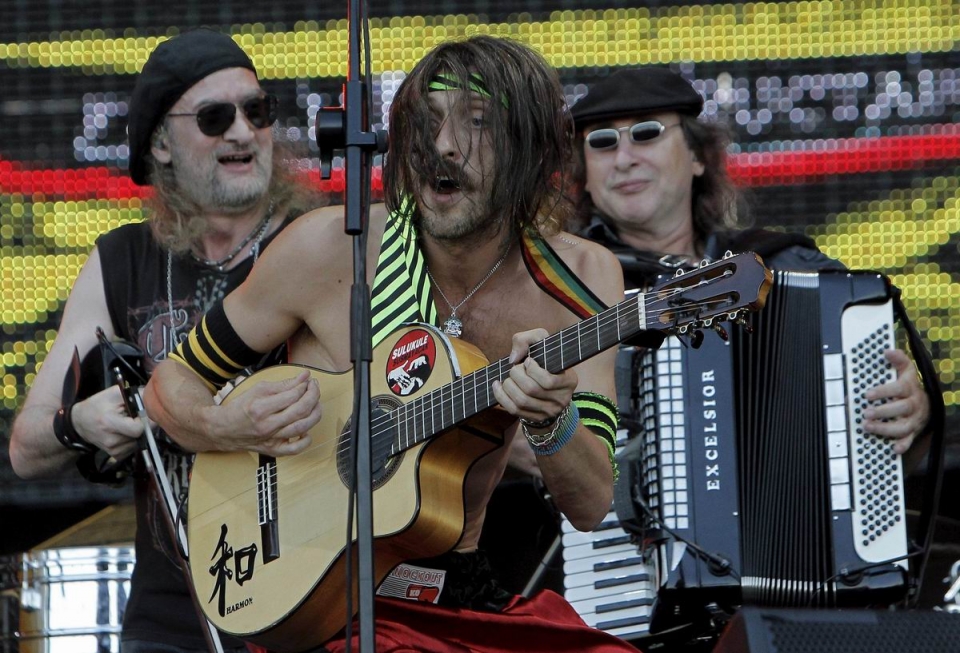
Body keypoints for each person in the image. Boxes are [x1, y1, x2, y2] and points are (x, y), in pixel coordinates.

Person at [144, 36, 642, 653]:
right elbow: (171, 382)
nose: (444, 147)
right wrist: (226, 426)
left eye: (477, 123)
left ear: (534, 149)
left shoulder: (580, 280)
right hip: (319, 590)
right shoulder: (328, 249)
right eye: (427, 124)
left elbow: (591, 505)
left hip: (451, 590)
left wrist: (552, 422)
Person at [9, 28, 323, 653]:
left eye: (256, 112)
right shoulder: (120, 260)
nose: (242, 131)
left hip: (312, 602)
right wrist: (81, 423)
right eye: (214, 117)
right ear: (162, 143)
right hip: (171, 617)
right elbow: (26, 447)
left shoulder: (320, 244)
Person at [569, 66, 931, 467]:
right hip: (627, 529)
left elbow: (895, 439)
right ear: (584, 176)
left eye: (646, 133)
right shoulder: (558, 285)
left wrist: (912, 408)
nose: (623, 159)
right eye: (601, 142)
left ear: (697, 157)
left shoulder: (787, 266)